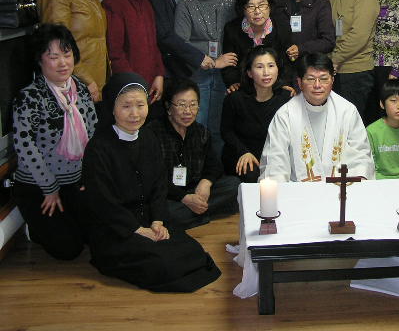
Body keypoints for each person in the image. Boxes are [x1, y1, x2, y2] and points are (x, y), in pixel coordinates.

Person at [82, 73, 221, 292]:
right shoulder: (98, 148)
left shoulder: (148, 138)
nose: (135, 114)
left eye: (140, 105)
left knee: (194, 252)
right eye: (126, 106)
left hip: (148, 219)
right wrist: (137, 229)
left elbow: (159, 185)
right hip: (116, 228)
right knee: (165, 263)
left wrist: (157, 220)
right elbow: (103, 202)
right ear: (112, 108)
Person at [12, 24, 97, 260]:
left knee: (96, 235)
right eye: (53, 57)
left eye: (67, 54)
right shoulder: (29, 96)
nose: (63, 63)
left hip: (74, 182)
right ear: (39, 60)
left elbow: (94, 133)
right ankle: (34, 228)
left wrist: (90, 177)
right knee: (68, 250)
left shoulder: (81, 89)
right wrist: (49, 188)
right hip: (39, 187)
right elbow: (25, 147)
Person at [259, 53, 374, 182]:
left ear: (332, 80)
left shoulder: (347, 111)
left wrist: (356, 179)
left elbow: (361, 156)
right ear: (299, 82)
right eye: (311, 79)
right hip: (298, 190)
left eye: (324, 79)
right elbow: (275, 161)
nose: (317, 85)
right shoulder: (285, 115)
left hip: (340, 189)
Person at [147, 78, 240, 229]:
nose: (188, 111)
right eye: (181, 105)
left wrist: (206, 183)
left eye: (193, 104)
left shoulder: (201, 132)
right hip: (169, 195)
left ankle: (194, 213)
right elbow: (155, 179)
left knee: (234, 185)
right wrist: (184, 198)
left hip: (195, 189)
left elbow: (214, 165)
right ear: (168, 107)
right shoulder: (153, 133)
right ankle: (202, 214)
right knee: (162, 211)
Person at [174, 0, 238, 152]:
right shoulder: (185, 4)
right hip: (196, 75)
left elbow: (238, 37)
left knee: (219, 127)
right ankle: (192, 168)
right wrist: (213, 60)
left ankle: (215, 169)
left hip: (224, 76)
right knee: (194, 125)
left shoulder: (231, 3)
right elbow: (180, 43)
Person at [103, 0, 165, 104]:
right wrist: (133, 85)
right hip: (128, 89)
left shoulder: (145, 0)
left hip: (149, 85)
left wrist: (159, 75)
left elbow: (154, 44)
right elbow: (115, 53)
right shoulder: (113, 3)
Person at [221, 46, 291, 183]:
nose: (266, 72)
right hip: (242, 154)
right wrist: (243, 152)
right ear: (249, 73)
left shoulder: (286, 98)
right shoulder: (235, 98)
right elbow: (226, 131)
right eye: (259, 67)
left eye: (271, 66)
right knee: (252, 175)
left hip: (274, 156)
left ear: (278, 69)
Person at [326, 0, 379, 118]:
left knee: (350, 125)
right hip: (336, 71)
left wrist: (334, 59)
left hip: (357, 72)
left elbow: (359, 35)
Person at [221, 0, 293, 92]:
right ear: (243, 9)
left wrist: (284, 83)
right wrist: (233, 82)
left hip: (275, 85)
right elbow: (229, 62)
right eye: (250, 6)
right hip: (243, 85)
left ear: (270, 7)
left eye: (262, 5)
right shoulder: (232, 29)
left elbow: (287, 61)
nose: (257, 11)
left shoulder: (282, 27)